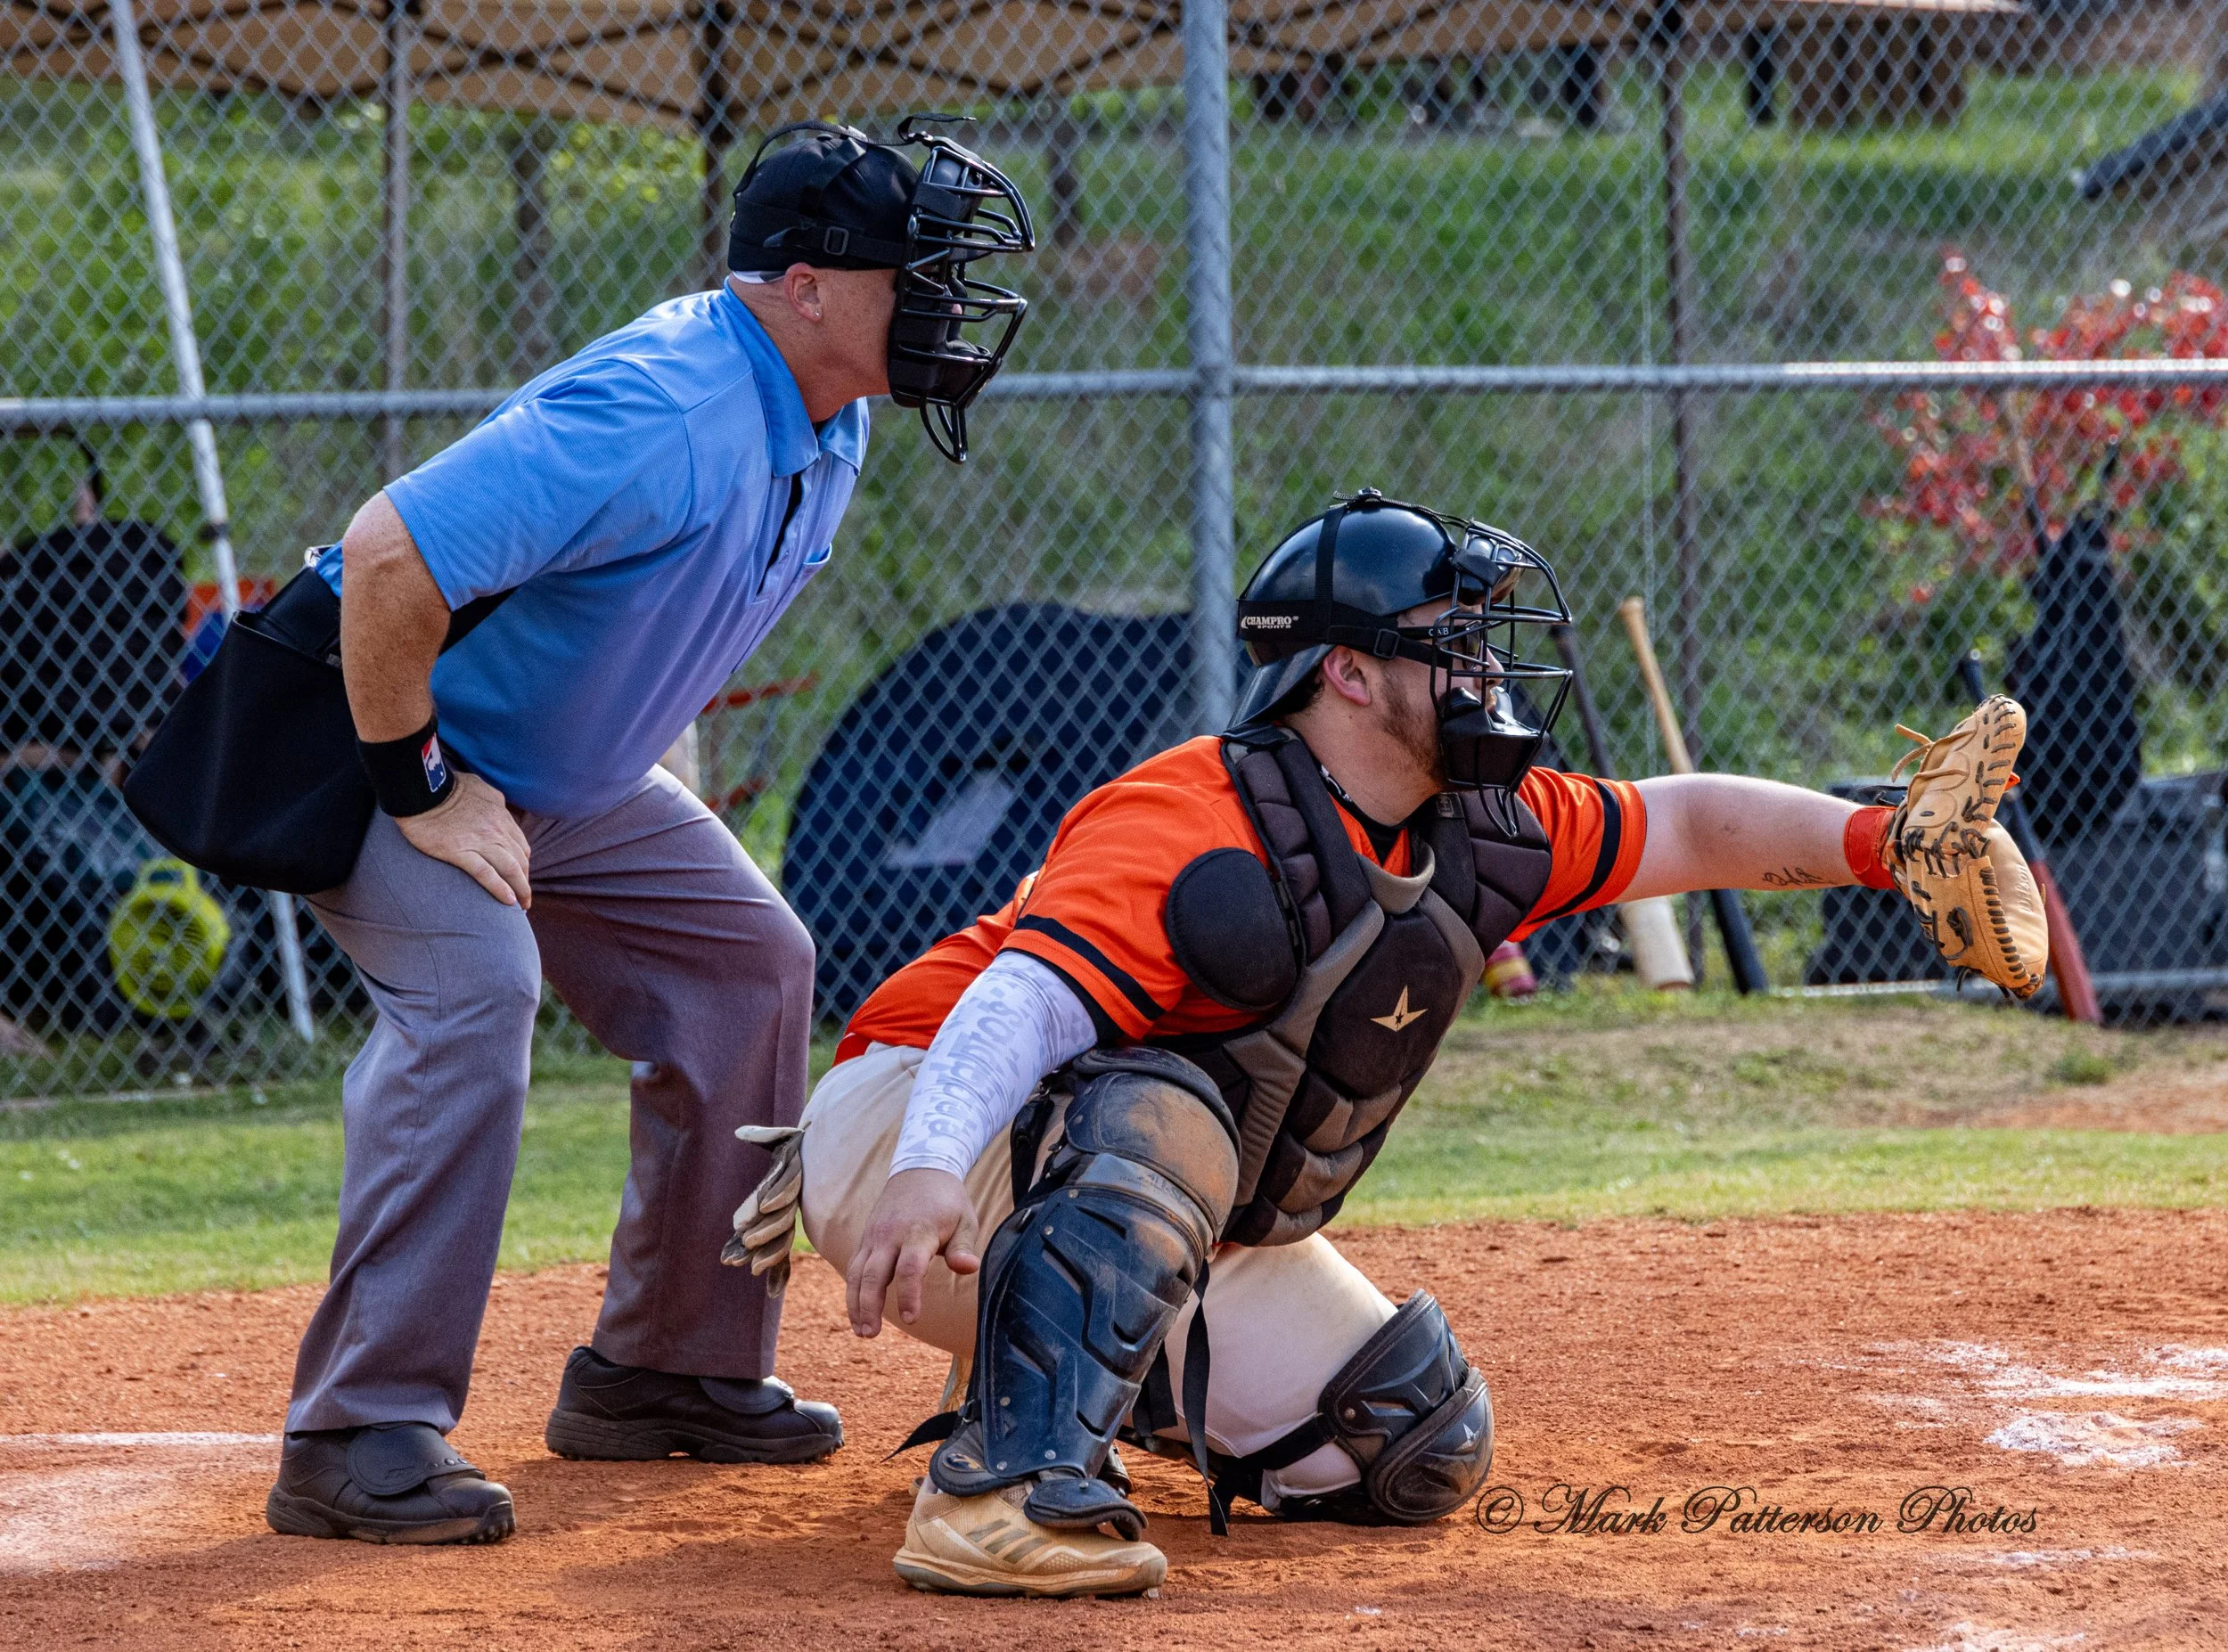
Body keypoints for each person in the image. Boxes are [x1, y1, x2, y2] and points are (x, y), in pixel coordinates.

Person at [726, 489, 2044, 1598]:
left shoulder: (1483, 821)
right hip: (908, 1121)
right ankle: (997, 1492)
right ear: (1345, 672)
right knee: (1165, 1104)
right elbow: (1016, 1004)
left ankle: (1033, 1374)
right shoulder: (1200, 810)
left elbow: (1684, 823)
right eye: (1449, 645)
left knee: (1409, 1438)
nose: (1484, 672)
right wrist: (922, 1166)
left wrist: (1883, 845)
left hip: (1060, 1172)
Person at [262, 119, 1035, 1549]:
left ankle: (666, 1364)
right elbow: (385, 557)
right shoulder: (667, 401)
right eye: (911, 272)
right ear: (803, 286)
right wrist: (426, 784)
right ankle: (354, 1430)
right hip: (374, 734)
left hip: (559, 772)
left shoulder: (830, 419)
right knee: (473, 986)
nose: (943, 301)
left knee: (748, 959)